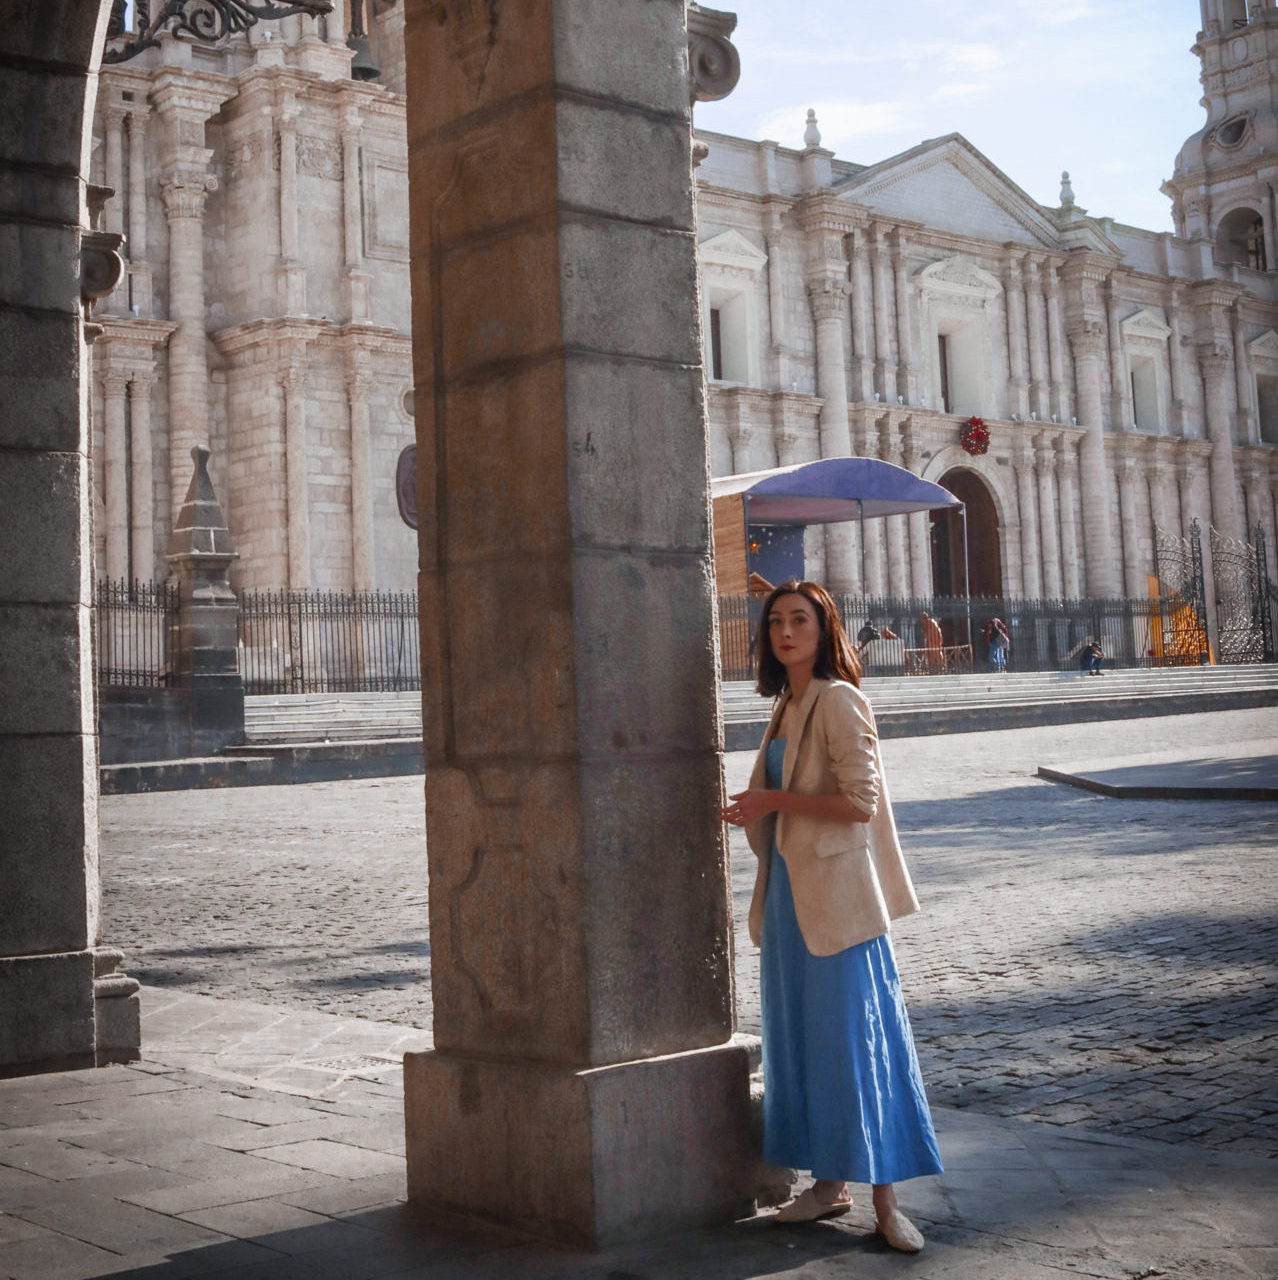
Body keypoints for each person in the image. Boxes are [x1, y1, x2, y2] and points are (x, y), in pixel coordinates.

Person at [720, 580, 942, 1251]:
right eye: (776, 621)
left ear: (825, 629)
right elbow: (783, 801)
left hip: (840, 902)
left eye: (800, 620)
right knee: (802, 1046)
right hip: (790, 897)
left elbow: (859, 803)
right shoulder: (787, 703)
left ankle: (886, 1201)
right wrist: (760, 807)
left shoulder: (841, 699)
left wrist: (771, 800)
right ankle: (827, 1186)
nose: (786, 631)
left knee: (857, 1043)